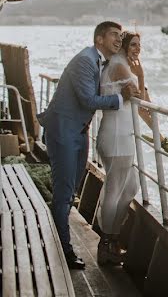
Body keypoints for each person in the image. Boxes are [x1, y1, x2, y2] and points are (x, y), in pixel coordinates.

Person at [37, 21, 136, 270]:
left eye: (120, 35)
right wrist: (119, 97)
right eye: (114, 34)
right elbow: (88, 99)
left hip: (79, 134)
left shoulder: (98, 61)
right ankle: (64, 251)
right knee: (64, 192)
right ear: (99, 39)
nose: (118, 38)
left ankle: (59, 242)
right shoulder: (85, 60)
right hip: (64, 134)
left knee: (70, 192)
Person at [96, 30, 151, 265]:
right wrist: (141, 76)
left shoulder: (120, 65)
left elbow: (142, 106)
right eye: (133, 44)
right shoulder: (119, 66)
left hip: (120, 136)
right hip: (117, 138)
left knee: (130, 187)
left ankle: (111, 237)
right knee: (115, 188)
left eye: (140, 45)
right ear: (123, 46)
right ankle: (106, 244)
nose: (137, 49)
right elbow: (142, 103)